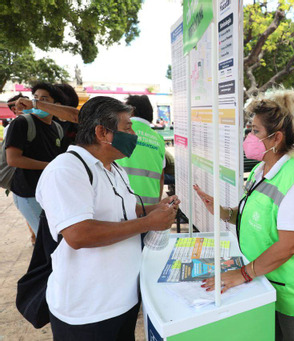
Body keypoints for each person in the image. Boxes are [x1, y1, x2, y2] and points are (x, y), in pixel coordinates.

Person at [195, 91, 294, 341]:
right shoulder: (261, 170)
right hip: (267, 278)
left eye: (256, 131)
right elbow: (255, 216)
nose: (249, 137)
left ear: (276, 138)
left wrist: (242, 274)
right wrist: (223, 212)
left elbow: (291, 244)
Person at [36, 96, 179, 340]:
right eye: (127, 128)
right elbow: (79, 234)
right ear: (103, 132)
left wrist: (157, 208)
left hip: (123, 301)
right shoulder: (67, 170)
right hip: (88, 310)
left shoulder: (115, 168)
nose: (134, 134)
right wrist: (147, 223)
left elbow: (127, 211)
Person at [4, 82, 67, 236]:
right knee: (47, 239)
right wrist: (50, 166)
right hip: (28, 193)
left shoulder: (56, 127)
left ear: (56, 105)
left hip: (48, 192)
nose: (37, 102)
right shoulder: (22, 122)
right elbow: (13, 159)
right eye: (36, 98)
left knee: (54, 237)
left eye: (44, 99)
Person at [116, 95, 166, 206]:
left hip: (123, 206)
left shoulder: (120, 131)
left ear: (131, 111)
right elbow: (161, 177)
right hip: (150, 208)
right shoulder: (159, 139)